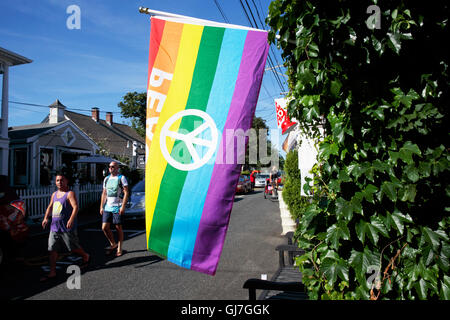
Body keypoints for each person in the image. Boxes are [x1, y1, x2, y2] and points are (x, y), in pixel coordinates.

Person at [41, 172, 90, 281]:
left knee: (72, 248)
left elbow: (75, 207)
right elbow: (50, 207)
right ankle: (52, 272)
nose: (59, 182)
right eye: (57, 180)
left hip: (66, 227)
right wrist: (45, 218)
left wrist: (71, 219)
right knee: (52, 249)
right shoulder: (54, 194)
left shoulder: (69, 193)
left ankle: (85, 255)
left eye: (62, 180)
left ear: (67, 181)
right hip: (54, 227)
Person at [100, 161, 129, 257]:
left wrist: (123, 206)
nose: (111, 168)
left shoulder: (121, 178)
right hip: (107, 206)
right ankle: (113, 244)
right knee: (104, 227)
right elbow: (104, 193)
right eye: (109, 167)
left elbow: (126, 192)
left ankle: (119, 247)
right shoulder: (106, 179)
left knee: (118, 227)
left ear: (117, 168)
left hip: (117, 206)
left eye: (113, 167)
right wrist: (101, 206)